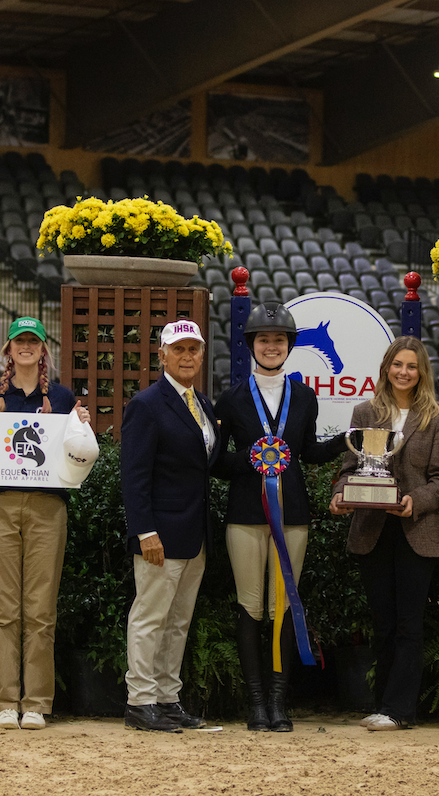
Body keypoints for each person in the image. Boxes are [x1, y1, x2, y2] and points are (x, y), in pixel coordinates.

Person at [212, 303, 346, 732]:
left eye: (280, 340)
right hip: (246, 514)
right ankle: (255, 702)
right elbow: (216, 460)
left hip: (293, 515)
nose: (272, 346)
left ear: (290, 346)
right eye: (264, 339)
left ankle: (278, 701)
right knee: (251, 606)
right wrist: (251, 462)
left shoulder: (305, 396)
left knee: (284, 606)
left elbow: (307, 452)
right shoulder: (231, 398)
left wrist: (346, 441)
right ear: (252, 345)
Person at [0, 317, 90, 730]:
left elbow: (80, 458)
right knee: (1, 607)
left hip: (47, 506)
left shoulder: (65, 399)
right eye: (20, 341)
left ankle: (35, 701)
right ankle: (4, 701)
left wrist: (81, 427)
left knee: (40, 609)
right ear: (8, 349)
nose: (26, 347)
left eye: (33, 341)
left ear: (43, 350)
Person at [330, 336, 439, 731]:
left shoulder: (436, 416)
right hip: (372, 530)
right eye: (397, 365)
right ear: (386, 368)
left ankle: (401, 711)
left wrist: (416, 500)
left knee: (408, 624)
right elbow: (350, 470)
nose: (404, 372)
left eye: (412, 366)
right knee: (382, 623)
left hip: (416, 529)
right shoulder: (365, 410)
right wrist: (339, 495)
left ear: (422, 373)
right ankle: (384, 704)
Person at [121, 320, 221, 733]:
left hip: (194, 534)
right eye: (178, 349)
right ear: (161, 355)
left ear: (201, 355)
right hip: (159, 535)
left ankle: (167, 697)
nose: (186, 356)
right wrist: (145, 531)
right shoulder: (146, 404)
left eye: (193, 349)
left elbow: (205, 465)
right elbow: (134, 475)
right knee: (150, 617)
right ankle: (139, 700)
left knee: (178, 621)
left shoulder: (204, 405)